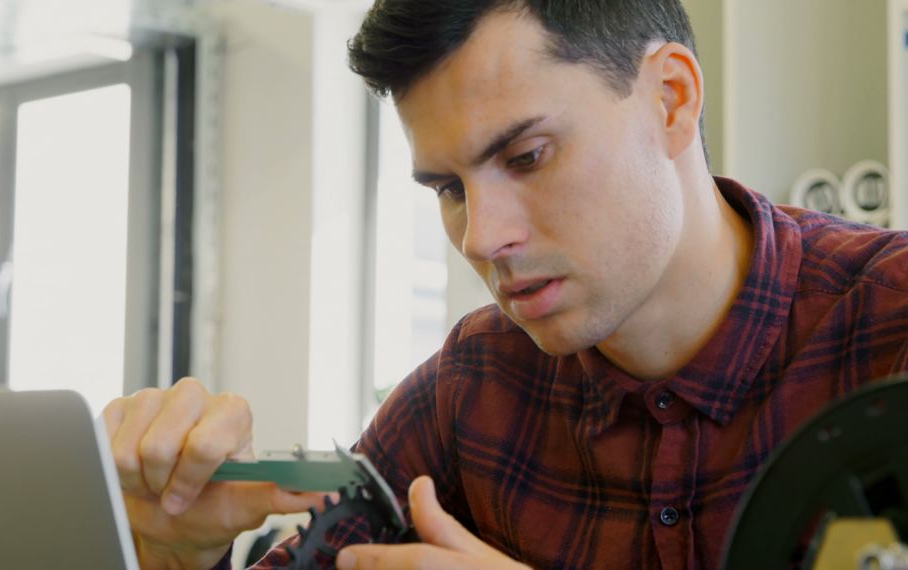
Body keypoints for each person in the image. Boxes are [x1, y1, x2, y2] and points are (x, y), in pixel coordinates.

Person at [101, 0, 908, 568]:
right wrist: (174, 557)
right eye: (448, 189)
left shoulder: (892, 323)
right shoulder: (465, 393)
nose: (482, 238)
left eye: (526, 158)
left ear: (671, 99)